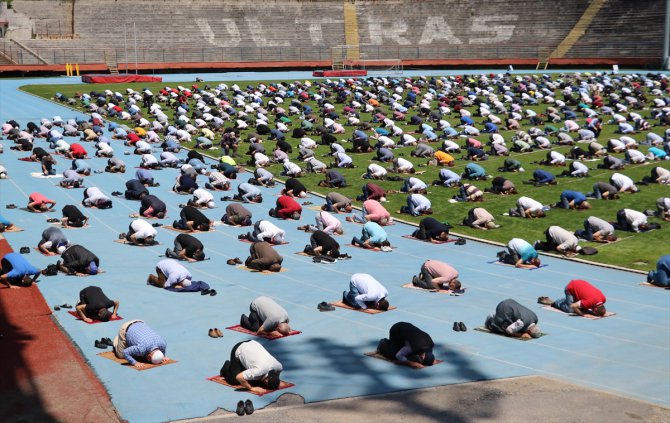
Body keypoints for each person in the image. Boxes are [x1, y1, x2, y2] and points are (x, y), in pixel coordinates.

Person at [538, 279, 607, 317]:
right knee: (570, 309)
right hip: (570, 288)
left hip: (581, 283)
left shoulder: (603, 298)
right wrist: (582, 314)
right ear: (595, 309)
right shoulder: (588, 302)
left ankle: (568, 300)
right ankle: (555, 302)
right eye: (594, 313)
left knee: (583, 307)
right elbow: (573, 306)